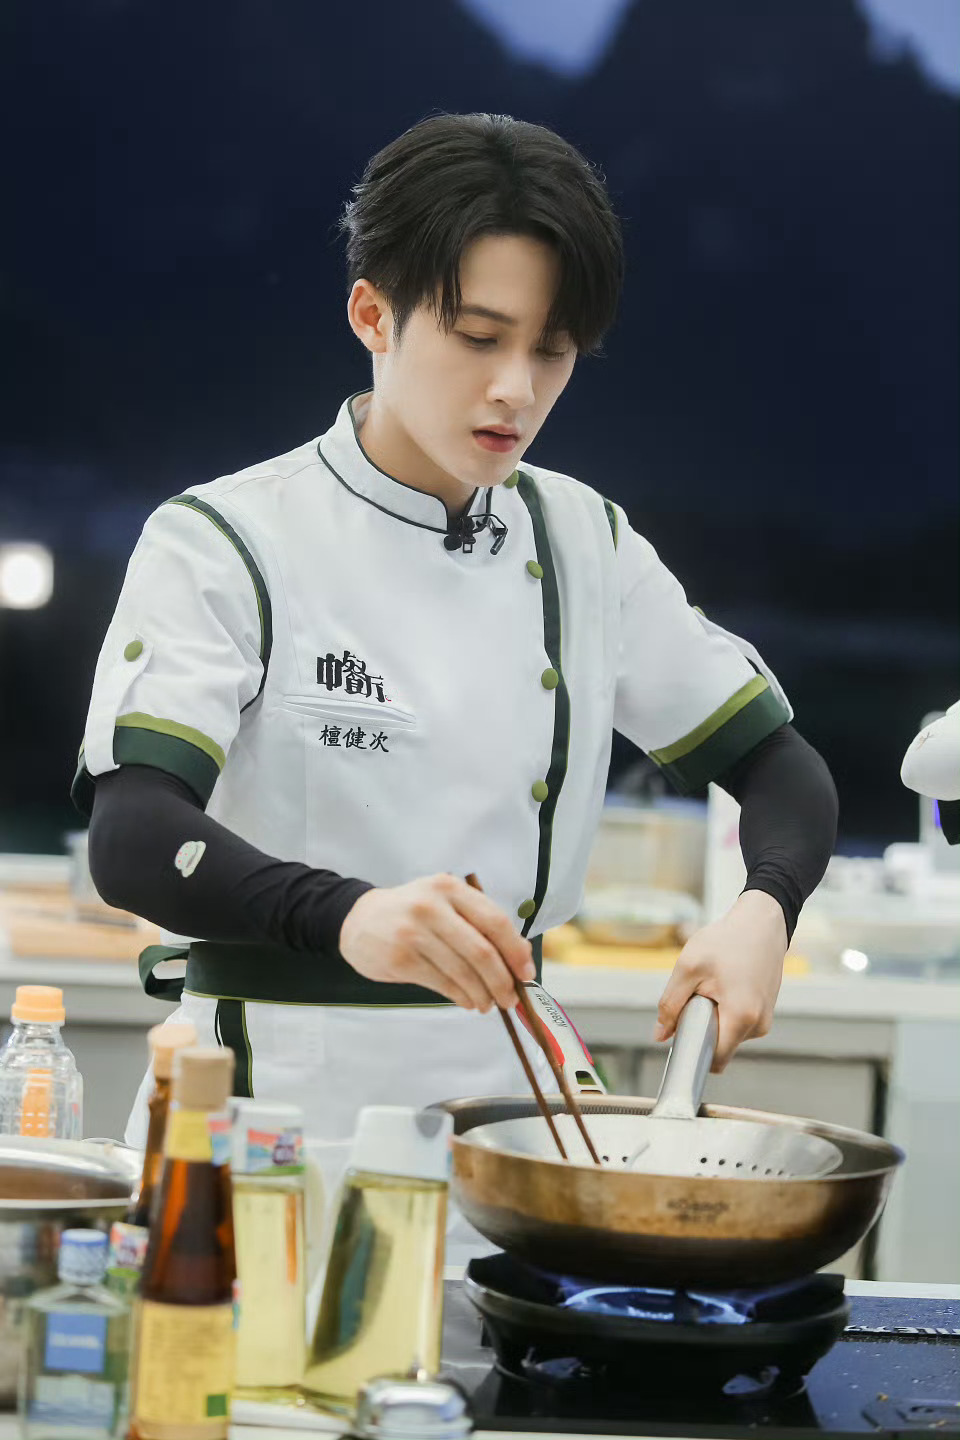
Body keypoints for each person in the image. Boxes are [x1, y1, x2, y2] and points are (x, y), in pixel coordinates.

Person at [74, 113, 838, 1153]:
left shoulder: (586, 543)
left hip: (518, 1115)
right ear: (372, 316)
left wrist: (764, 911)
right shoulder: (226, 538)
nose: (515, 389)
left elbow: (781, 768)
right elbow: (131, 838)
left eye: (551, 350)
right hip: (265, 1109)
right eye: (479, 338)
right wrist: (350, 916)